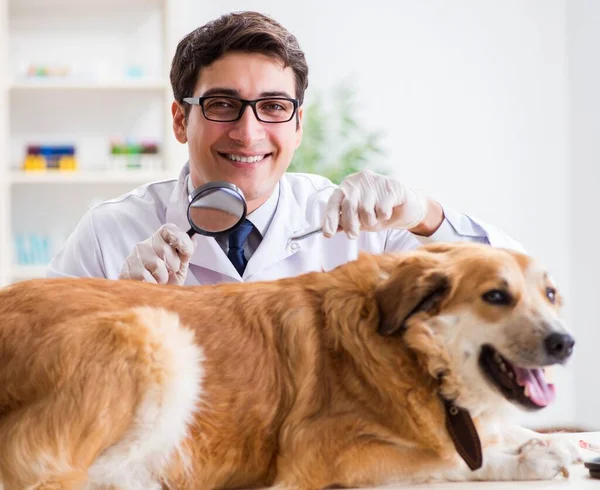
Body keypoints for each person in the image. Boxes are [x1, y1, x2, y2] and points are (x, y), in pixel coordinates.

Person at [47, 11, 523, 285]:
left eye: (273, 106)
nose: (248, 133)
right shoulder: (108, 234)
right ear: (179, 120)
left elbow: (514, 282)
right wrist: (114, 311)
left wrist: (424, 214)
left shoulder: (361, 231)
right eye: (222, 104)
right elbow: (29, 376)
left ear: (297, 125)